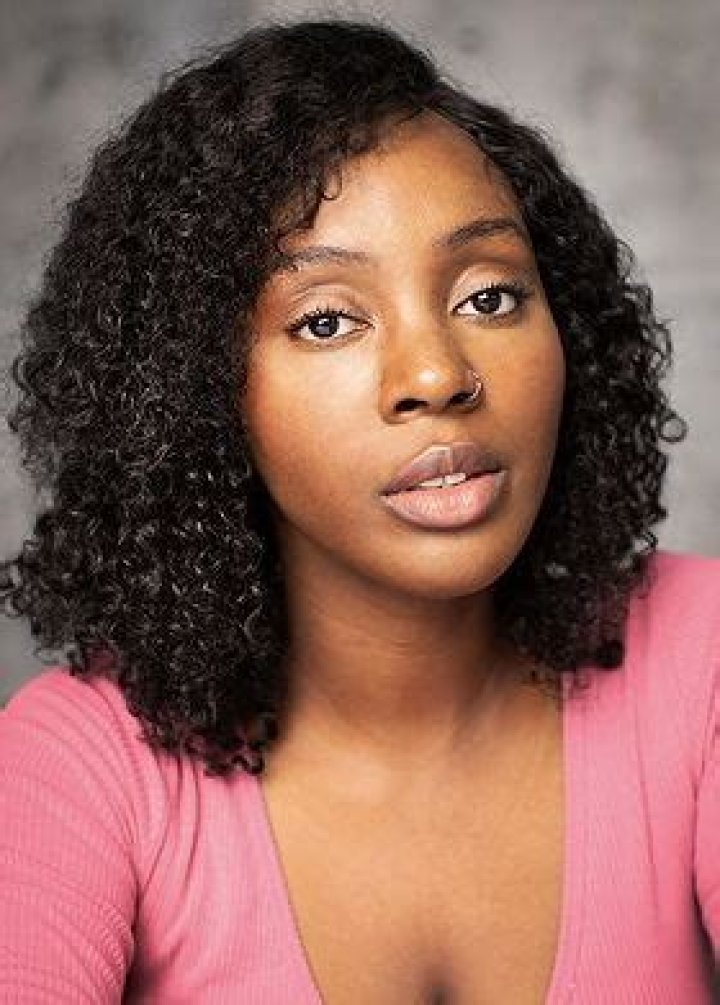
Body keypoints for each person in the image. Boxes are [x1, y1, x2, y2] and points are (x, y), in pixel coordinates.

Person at [0, 17, 717, 1004]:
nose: (436, 374)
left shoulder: (701, 655)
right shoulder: (76, 766)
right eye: (328, 319)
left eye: (489, 297)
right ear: (197, 391)